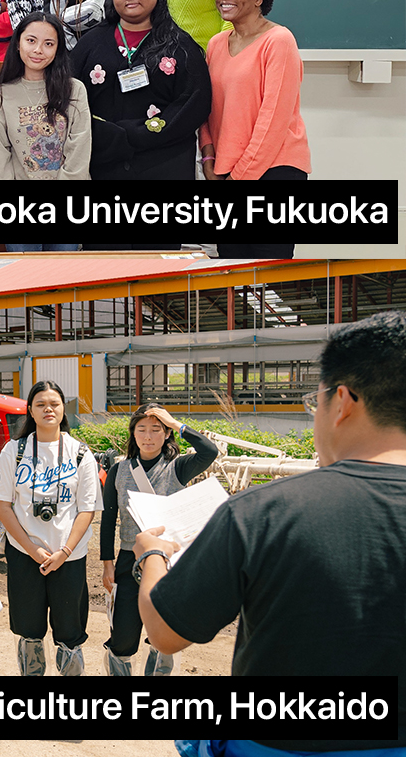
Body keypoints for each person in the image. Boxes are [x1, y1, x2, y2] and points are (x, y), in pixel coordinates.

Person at [136, 310, 406, 755]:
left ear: (342, 402)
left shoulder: (264, 512)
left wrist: (152, 553)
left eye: (312, 401)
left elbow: (167, 633)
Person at [69, 0, 211, 219]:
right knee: (109, 255)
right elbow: (70, 97)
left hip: (165, 163)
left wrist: (146, 132)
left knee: (156, 254)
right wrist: (108, 134)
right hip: (104, 161)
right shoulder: (91, 43)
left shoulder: (180, 45)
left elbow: (194, 101)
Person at [0, 380, 101, 677]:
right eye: (40, 404)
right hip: (25, 555)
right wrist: (31, 548)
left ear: (63, 410)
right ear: (30, 412)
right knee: (28, 627)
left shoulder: (81, 453)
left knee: (70, 629)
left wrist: (64, 551)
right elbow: (2, 504)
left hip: (68, 557)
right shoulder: (14, 450)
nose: (48, 409)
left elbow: (87, 508)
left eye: (54, 404)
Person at [201, 0, 312, 259]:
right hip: (226, 172)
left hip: (274, 171)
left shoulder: (279, 40)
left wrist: (238, 178)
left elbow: (273, 121)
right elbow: (206, 109)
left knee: (267, 273)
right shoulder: (216, 43)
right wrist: (208, 159)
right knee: (231, 275)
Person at [98, 403, 218, 677]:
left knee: (161, 634)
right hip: (129, 559)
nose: (148, 436)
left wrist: (176, 423)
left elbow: (210, 452)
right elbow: (107, 518)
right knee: (123, 635)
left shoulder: (178, 467)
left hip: (168, 560)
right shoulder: (119, 470)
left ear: (166, 435)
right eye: (142, 429)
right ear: (133, 433)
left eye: (156, 429)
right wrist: (107, 563)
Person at [0, 11, 91, 251]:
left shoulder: (74, 89)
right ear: (17, 44)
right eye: (31, 41)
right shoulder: (2, 94)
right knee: (24, 281)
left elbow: (80, 144)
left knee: (63, 282)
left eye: (48, 44)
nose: (38, 50)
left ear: (57, 50)